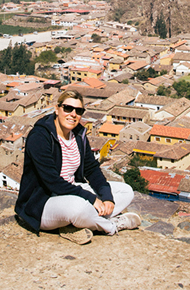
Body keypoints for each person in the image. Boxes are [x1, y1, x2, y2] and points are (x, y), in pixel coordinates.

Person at [15, 90, 140, 244]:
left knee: (126, 191)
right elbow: (52, 181)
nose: (73, 114)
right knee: (78, 208)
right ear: (57, 109)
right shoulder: (40, 136)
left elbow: (91, 169)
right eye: (68, 108)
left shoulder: (79, 134)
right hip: (43, 202)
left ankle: (77, 224)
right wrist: (91, 198)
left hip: (73, 191)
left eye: (78, 111)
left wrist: (107, 197)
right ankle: (112, 225)